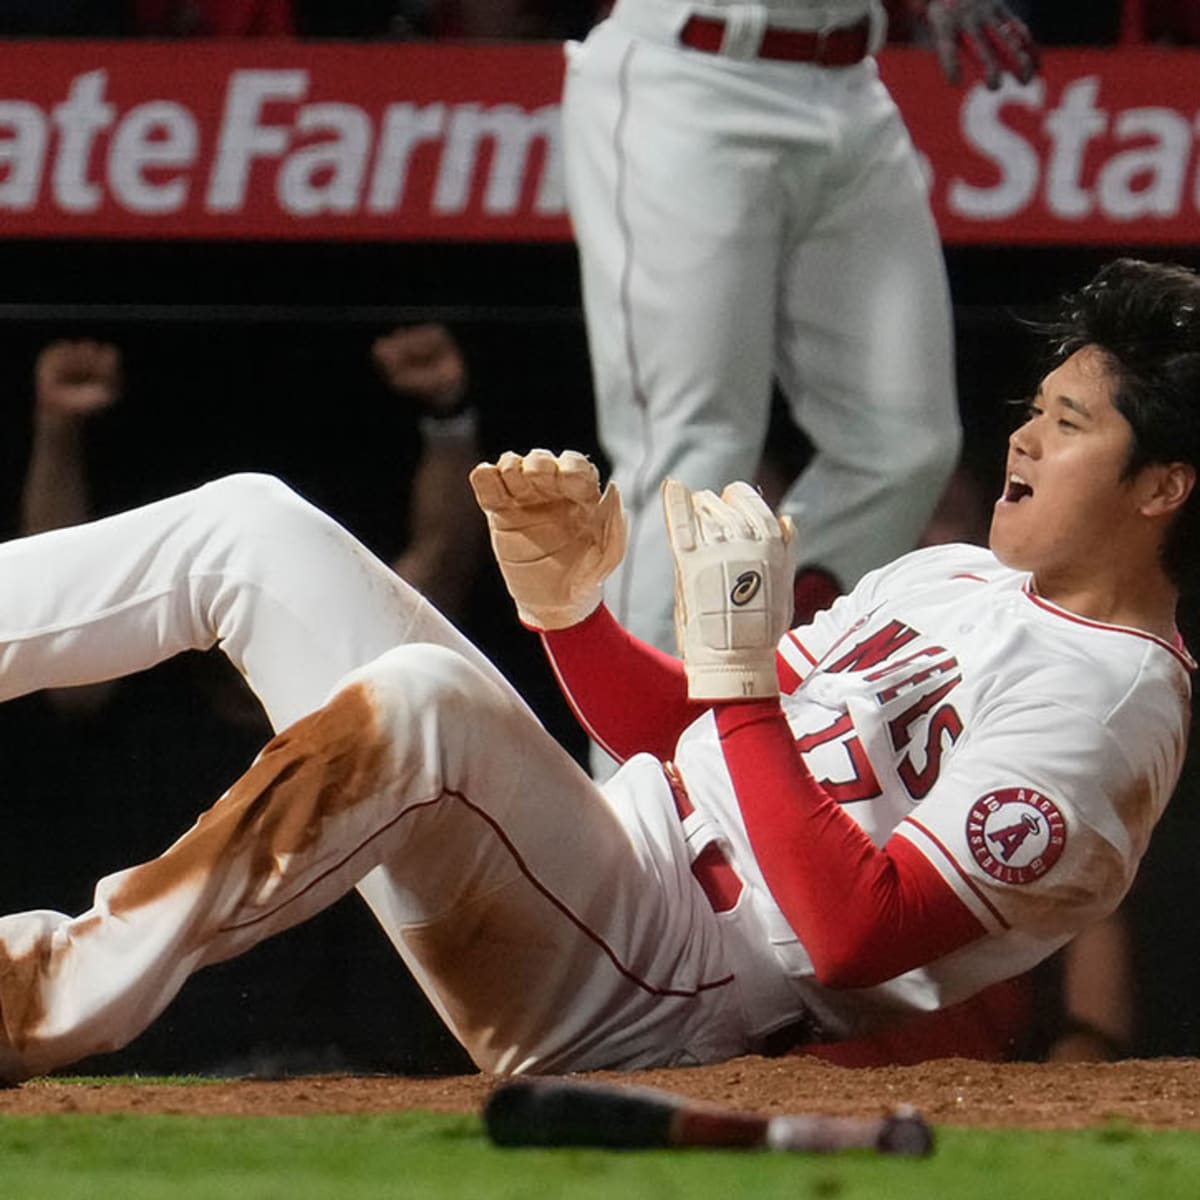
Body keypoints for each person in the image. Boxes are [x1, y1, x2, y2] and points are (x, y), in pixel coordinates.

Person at [0, 258, 1194, 1083]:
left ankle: (41, 993)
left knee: (425, 704)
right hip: (607, 859)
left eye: (1073, 422)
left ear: (1162, 488)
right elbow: (689, 729)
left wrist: (734, 681)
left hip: (681, 989)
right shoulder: (954, 577)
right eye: (1035, 408)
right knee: (250, 527)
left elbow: (854, 937)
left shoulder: (1113, 703)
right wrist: (568, 614)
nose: (1026, 437)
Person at [558, 0, 1040, 719]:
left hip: (848, 84)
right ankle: (634, 784)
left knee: (903, 445)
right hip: (688, 71)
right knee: (694, 449)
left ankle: (773, 654)